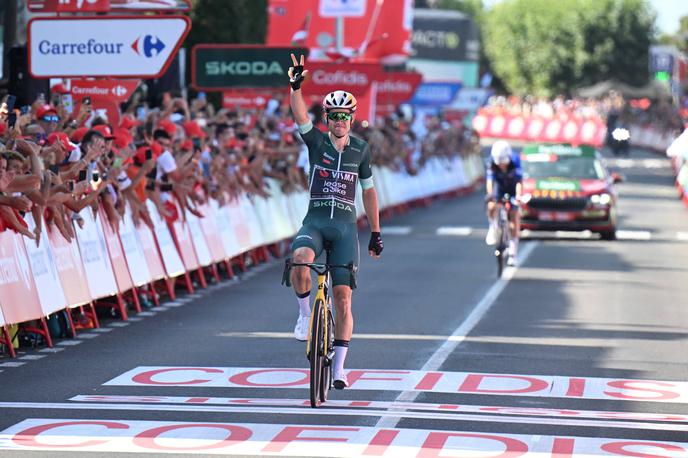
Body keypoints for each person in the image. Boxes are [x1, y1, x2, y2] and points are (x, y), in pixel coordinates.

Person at [286, 53, 383, 390]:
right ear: (327, 117)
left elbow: (369, 193)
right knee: (299, 261)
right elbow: (299, 114)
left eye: (344, 115)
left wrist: (375, 232)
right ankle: (303, 315)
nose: (339, 120)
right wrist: (296, 87)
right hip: (314, 222)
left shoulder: (361, 149)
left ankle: (339, 367)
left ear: (351, 119)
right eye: (333, 115)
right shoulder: (316, 142)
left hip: (344, 229)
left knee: (343, 298)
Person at [485, 140, 522, 266]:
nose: (501, 165)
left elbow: (519, 182)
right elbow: (490, 181)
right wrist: (490, 196)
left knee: (513, 218)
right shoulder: (491, 162)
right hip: (499, 188)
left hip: (512, 188)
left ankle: (513, 252)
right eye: (499, 163)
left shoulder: (515, 160)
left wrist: (518, 196)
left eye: (503, 162)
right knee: (491, 206)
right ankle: (493, 226)